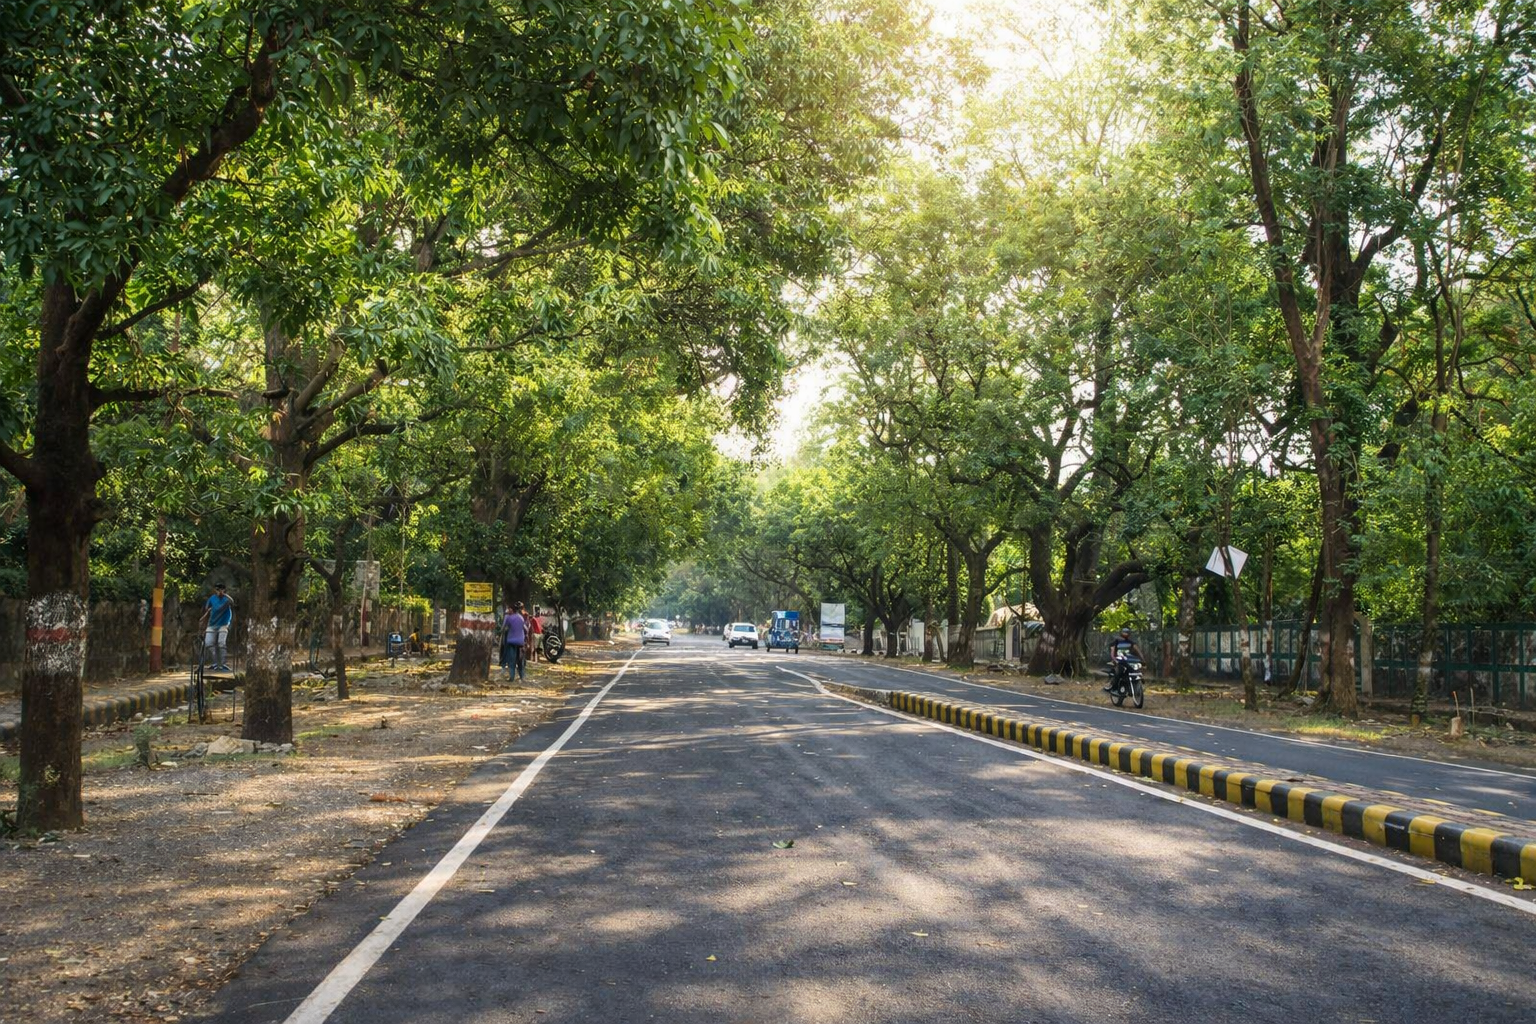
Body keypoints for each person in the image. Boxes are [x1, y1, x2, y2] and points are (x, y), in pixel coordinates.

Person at [200, 583, 234, 671]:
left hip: (223, 624)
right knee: (208, 643)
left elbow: (232, 602)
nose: (219, 591)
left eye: (221, 589)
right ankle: (215, 663)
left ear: (224, 590)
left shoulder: (227, 599)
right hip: (212, 624)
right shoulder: (212, 598)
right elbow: (206, 609)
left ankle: (222, 664)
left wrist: (225, 595)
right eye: (217, 589)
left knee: (221, 643)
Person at [1104, 628, 1142, 694]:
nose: (1125, 634)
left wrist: (1142, 660)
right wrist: (1114, 659)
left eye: (1127, 633)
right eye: (1124, 633)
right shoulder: (1116, 642)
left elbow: (1138, 652)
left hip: (1128, 661)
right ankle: (1115, 688)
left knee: (1134, 671)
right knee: (1119, 672)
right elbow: (1112, 652)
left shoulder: (1131, 642)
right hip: (1118, 661)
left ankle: (1132, 687)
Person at [503, 601, 528, 681]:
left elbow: (504, 627)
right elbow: (526, 629)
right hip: (520, 641)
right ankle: (522, 677)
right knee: (520, 660)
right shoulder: (521, 618)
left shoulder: (509, 618)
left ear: (512, 610)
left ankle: (512, 677)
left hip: (511, 641)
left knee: (511, 660)